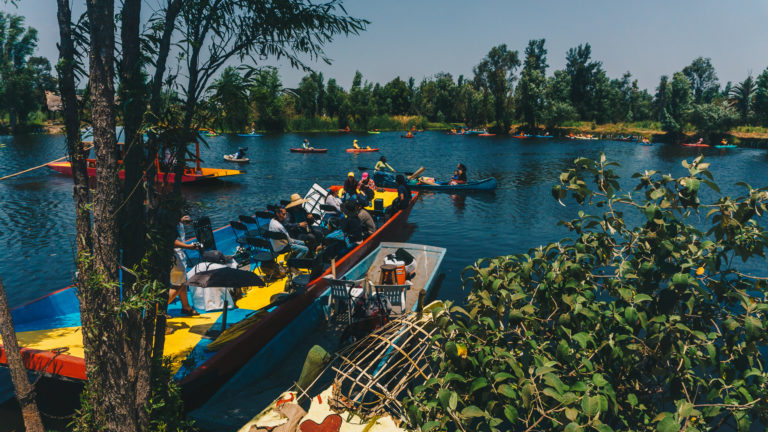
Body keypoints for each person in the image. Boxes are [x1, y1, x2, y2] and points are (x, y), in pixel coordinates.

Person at [169, 215, 200, 316]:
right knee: (178, 284)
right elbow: (171, 241)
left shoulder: (174, 217)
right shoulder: (168, 219)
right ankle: (157, 312)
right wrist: (188, 247)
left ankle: (186, 307)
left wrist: (180, 219)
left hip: (179, 254)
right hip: (175, 254)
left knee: (183, 281)